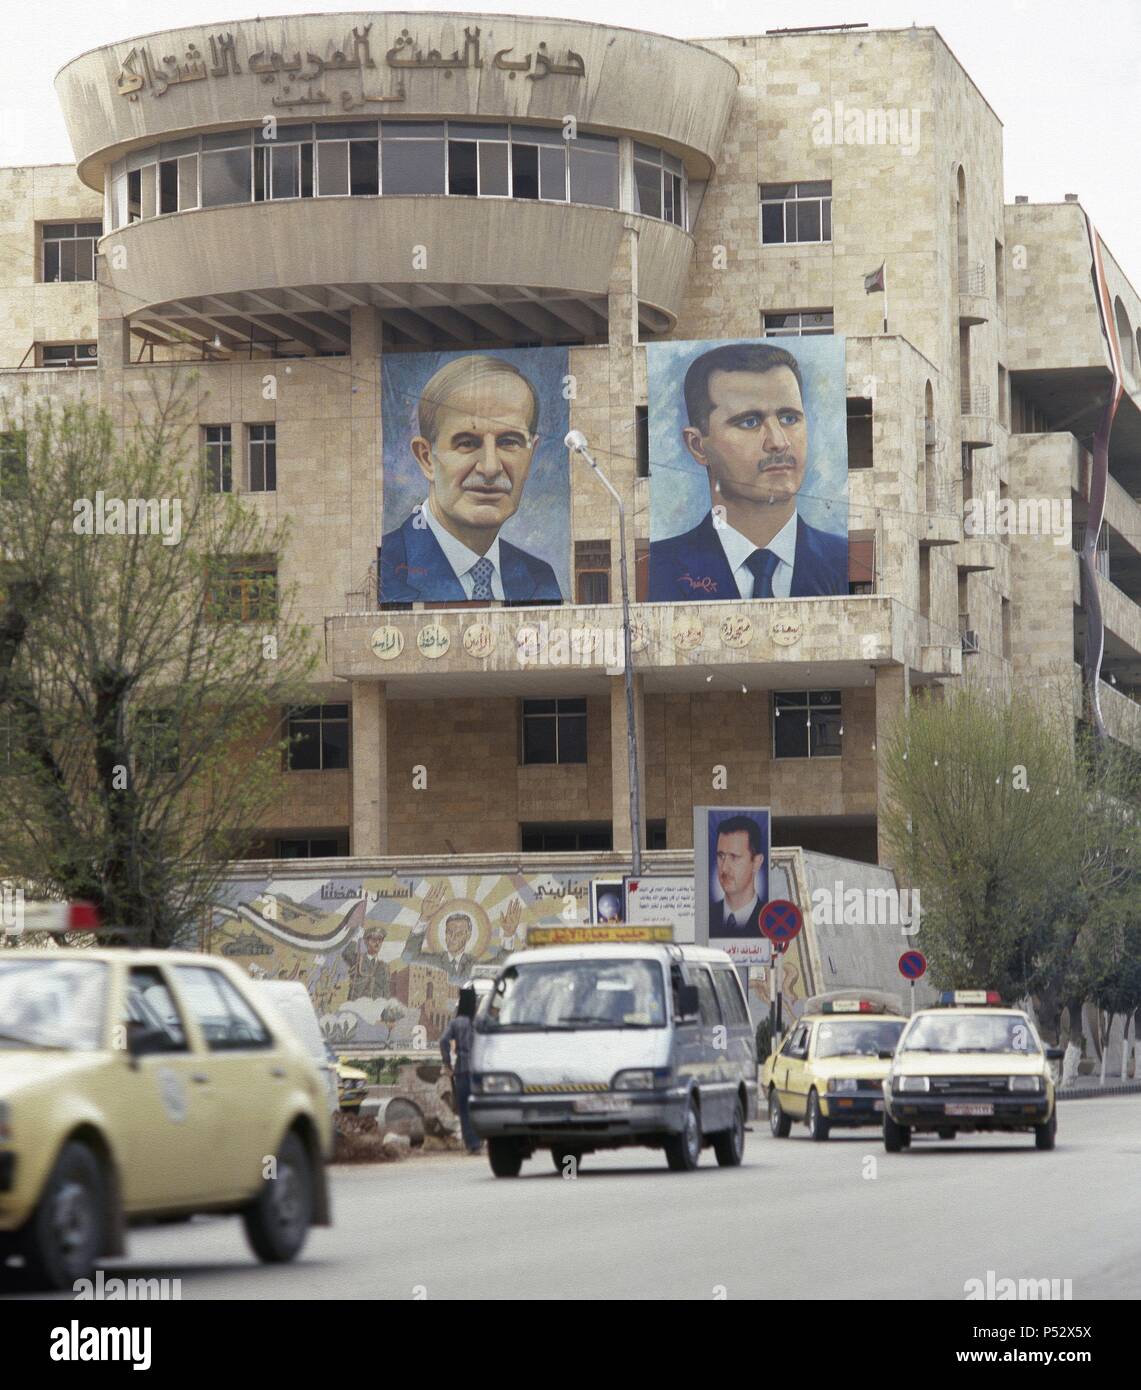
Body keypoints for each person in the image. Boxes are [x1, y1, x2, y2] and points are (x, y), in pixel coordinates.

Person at [648, 342, 847, 601]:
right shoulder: (660, 570)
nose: (778, 441)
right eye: (749, 422)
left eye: (789, 418)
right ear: (698, 446)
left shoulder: (843, 562)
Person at [380, 354, 563, 602]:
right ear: (426, 458)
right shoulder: (385, 572)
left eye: (509, 442)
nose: (490, 468)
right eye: (467, 443)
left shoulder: (539, 578)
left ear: (530, 456)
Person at [710, 815, 767, 937]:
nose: (724, 868)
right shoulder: (707, 917)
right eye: (721, 856)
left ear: (756, 862)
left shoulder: (769, 919)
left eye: (734, 857)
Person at [440, 986, 481, 1154]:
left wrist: (447, 1062)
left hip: (462, 1071)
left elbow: (443, 1040)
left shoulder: (455, 1023)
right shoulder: (478, 1022)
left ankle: (472, 1144)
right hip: (479, 1071)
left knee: (464, 1108)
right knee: (478, 1107)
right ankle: (481, 1138)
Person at [403, 910, 480, 983]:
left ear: (468, 936)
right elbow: (408, 958)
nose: (453, 938)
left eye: (459, 933)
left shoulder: (474, 964)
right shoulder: (434, 960)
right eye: (449, 932)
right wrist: (424, 917)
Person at [342, 925, 389, 1001]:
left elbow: (386, 993)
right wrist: (356, 938)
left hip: (375, 1009)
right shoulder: (358, 959)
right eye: (374, 939)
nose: (377, 943)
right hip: (356, 1006)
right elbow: (346, 953)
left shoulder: (383, 967)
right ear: (366, 941)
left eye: (380, 940)